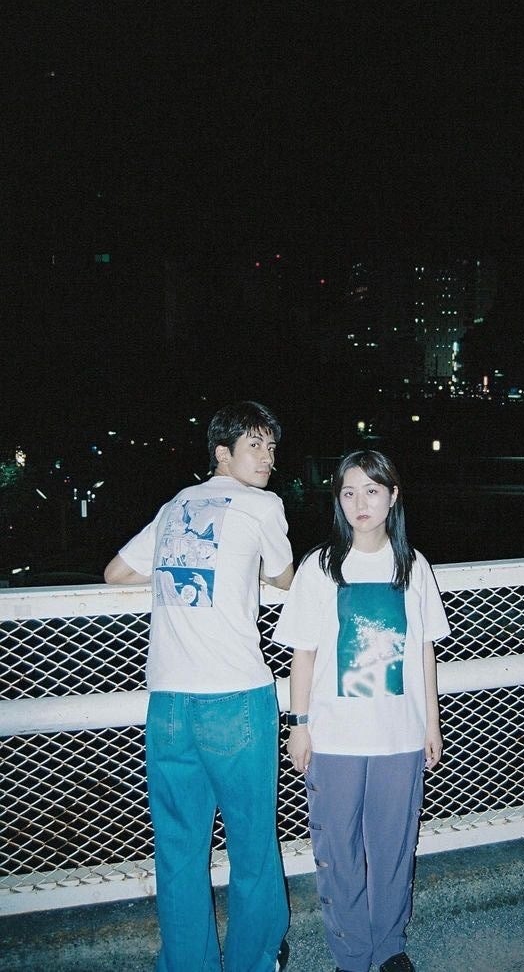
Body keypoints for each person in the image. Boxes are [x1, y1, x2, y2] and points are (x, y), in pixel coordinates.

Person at [104, 401, 294, 972]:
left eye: (271, 447)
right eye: (254, 445)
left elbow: (115, 573)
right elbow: (285, 577)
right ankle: (254, 961)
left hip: (168, 703)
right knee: (252, 844)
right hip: (235, 698)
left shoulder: (174, 507)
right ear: (222, 453)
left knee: (180, 847)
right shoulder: (263, 505)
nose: (267, 458)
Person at [272, 449, 450, 972]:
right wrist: (299, 726)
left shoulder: (413, 566)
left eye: (372, 490)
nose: (360, 503)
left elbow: (424, 651)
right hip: (334, 736)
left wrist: (432, 723)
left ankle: (390, 946)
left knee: (395, 846)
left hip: (399, 734)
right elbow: (303, 653)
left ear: (392, 496)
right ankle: (350, 954)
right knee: (338, 849)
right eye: (348, 492)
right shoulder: (319, 566)